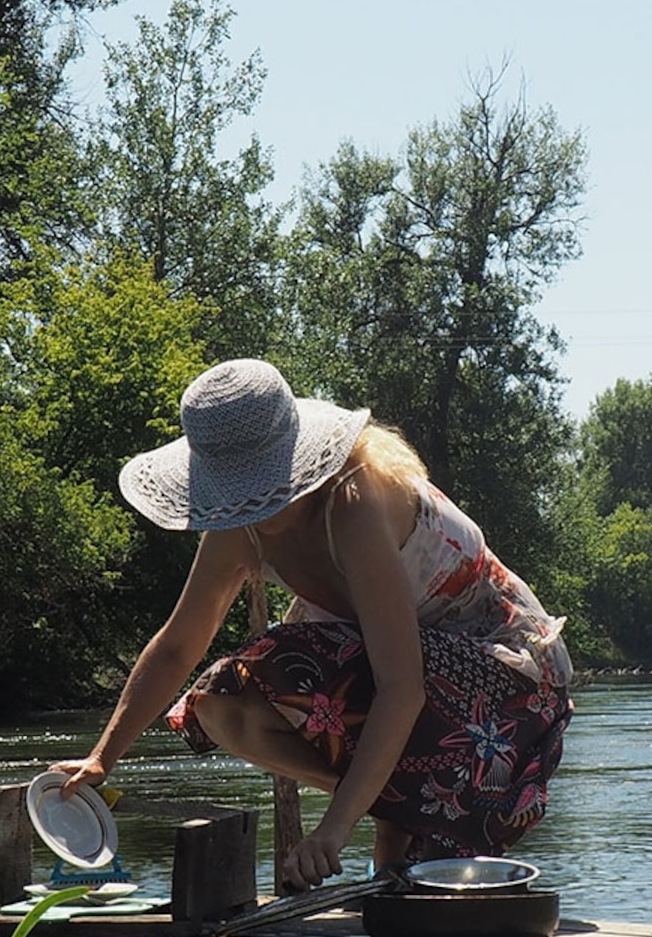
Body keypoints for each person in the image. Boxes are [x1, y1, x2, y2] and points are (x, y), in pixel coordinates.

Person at [50, 358, 574, 887]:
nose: (254, 504)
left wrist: (333, 829)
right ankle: (396, 814)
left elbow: (401, 685)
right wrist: (101, 758)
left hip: (506, 688)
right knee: (223, 704)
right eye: (236, 489)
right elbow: (178, 645)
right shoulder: (238, 524)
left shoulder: (353, 501)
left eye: (265, 481)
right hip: (395, 672)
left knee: (287, 657)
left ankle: (397, 823)